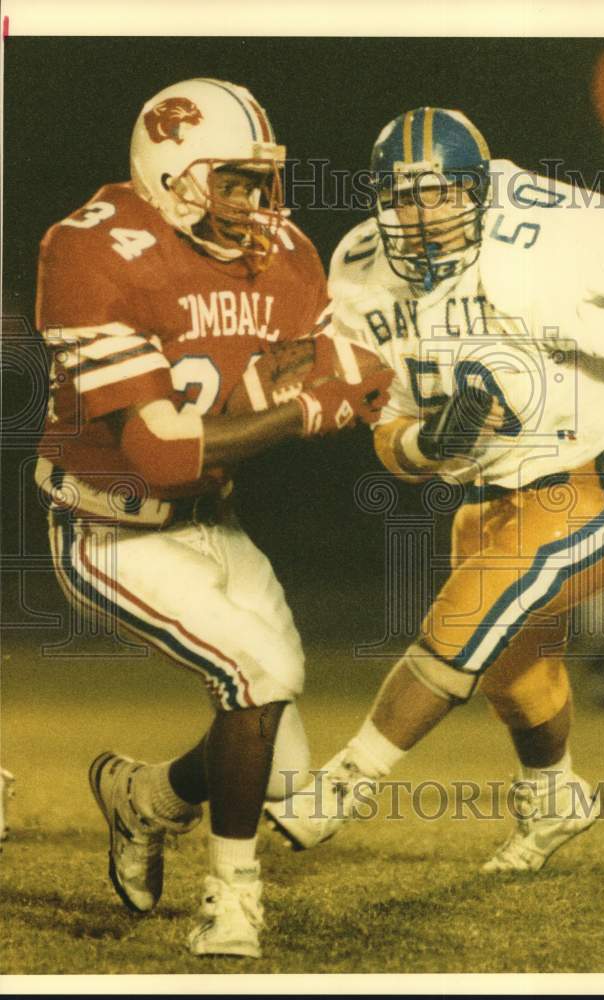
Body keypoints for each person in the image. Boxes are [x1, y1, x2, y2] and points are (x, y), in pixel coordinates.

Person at [265, 107, 604, 872]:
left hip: (596, 480)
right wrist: (437, 441)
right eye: (404, 197)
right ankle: (555, 797)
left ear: (479, 191)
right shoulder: (360, 271)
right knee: (515, 674)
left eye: (443, 194)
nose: (422, 216)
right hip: (489, 497)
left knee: (471, 609)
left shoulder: (543, 245)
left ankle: (345, 783)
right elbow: (390, 438)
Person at [35, 78, 390, 958]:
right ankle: (232, 901)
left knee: (292, 780)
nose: (256, 204)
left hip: (212, 519)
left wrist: (379, 392)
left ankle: (143, 799)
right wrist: (303, 409)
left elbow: (332, 369)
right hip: (109, 525)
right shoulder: (93, 249)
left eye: (261, 181)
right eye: (232, 181)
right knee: (257, 676)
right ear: (170, 171)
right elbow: (159, 451)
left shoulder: (285, 253)